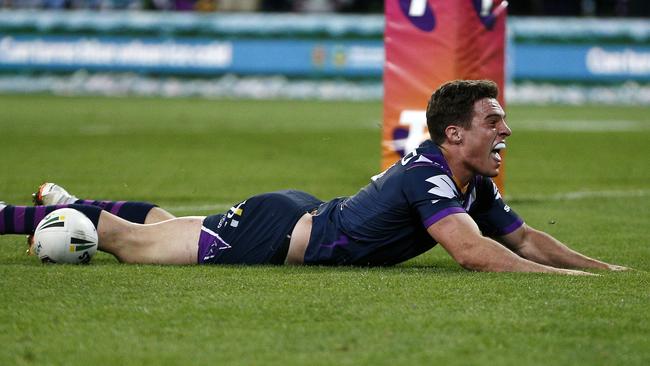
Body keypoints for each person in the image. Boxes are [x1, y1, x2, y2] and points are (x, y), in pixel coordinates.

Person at [0, 80, 628, 274]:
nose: (506, 131)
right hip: (280, 234)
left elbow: (521, 239)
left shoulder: (471, 183)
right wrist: (564, 285)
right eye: (494, 121)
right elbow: (473, 253)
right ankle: (17, 218)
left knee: (172, 227)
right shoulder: (429, 175)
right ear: (454, 133)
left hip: (299, 215)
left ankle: (69, 200)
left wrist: (602, 271)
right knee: (130, 245)